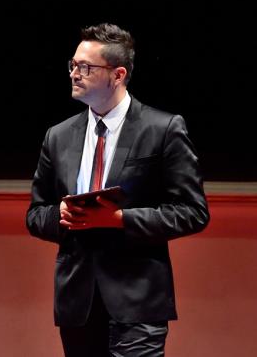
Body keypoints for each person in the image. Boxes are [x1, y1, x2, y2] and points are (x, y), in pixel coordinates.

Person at [26, 23, 209, 356]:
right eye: (73, 65)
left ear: (118, 74)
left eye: (85, 67)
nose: (74, 74)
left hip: (138, 300)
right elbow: (36, 214)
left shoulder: (163, 129)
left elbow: (193, 212)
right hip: (77, 303)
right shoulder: (58, 136)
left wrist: (121, 219)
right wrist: (61, 216)